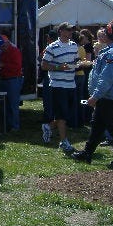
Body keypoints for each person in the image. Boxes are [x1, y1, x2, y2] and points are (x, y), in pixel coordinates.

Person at [72, 21, 113, 166]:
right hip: (106, 97)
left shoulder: (112, 53)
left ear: (108, 36)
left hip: (108, 97)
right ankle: (87, 152)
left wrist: (95, 96)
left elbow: (106, 78)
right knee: (97, 126)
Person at [40, 22, 79, 154]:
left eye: (72, 31)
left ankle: (48, 126)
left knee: (66, 114)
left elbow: (75, 62)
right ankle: (63, 141)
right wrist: (58, 67)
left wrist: (79, 64)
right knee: (62, 115)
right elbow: (44, 65)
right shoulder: (52, 47)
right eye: (68, 30)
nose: (70, 33)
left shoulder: (74, 45)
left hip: (71, 84)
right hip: (58, 85)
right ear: (61, 31)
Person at [0, 34, 23, 133]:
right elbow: (1, 66)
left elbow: (17, 67)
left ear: (7, 43)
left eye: (4, 46)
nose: (2, 48)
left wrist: (3, 65)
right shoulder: (2, 53)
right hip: (4, 80)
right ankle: (7, 125)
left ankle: (15, 126)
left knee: (13, 105)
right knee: (4, 105)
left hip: (14, 80)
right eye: (1, 46)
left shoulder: (15, 51)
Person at [40, 29, 58, 128]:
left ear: (49, 38)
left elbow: (41, 58)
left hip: (49, 74)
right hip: (57, 75)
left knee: (48, 98)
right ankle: (53, 118)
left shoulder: (49, 48)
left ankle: (48, 118)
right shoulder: (60, 47)